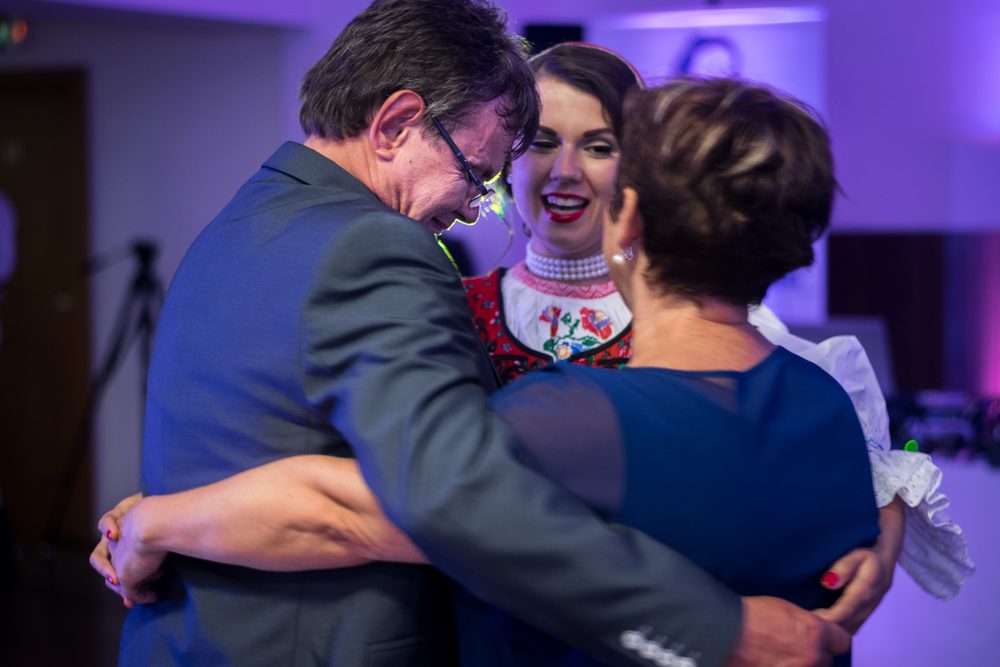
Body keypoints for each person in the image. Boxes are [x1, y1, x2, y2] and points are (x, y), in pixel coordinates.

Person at [92, 2, 857, 666]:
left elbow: (385, 486)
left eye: (597, 147)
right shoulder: (375, 245)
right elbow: (450, 499)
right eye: (476, 172)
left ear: (629, 211)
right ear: (395, 123)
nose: (469, 209)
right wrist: (717, 631)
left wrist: (159, 519)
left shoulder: (238, 223)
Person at [462, 43, 972, 601]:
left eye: (599, 147)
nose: (564, 171)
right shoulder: (452, 304)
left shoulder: (706, 319)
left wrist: (881, 542)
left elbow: (831, 467)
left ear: (639, 178)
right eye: (540, 143)